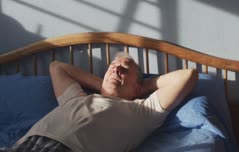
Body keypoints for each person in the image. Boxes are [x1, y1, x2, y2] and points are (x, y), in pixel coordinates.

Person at [6, 52, 198, 152]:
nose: (116, 70)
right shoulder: (77, 97)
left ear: (138, 88)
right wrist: (104, 87)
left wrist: (143, 87)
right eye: (112, 67)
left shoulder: (143, 111)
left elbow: (188, 75)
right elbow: (56, 67)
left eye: (124, 69)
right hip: (24, 144)